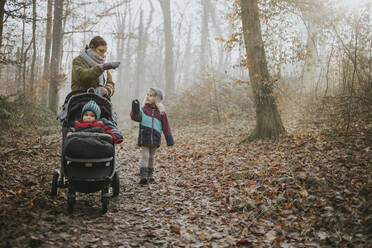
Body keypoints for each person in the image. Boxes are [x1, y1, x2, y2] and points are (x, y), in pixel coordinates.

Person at [130, 87, 174, 184]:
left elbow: (166, 126)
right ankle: (143, 176)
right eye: (148, 95)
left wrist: (169, 138)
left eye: (151, 96)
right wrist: (135, 108)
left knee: (151, 157)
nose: (148, 97)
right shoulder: (143, 109)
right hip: (145, 136)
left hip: (155, 137)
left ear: (157, 98)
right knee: (145, 155)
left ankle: (150, 175)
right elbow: (135, 117)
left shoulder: (161, 112)